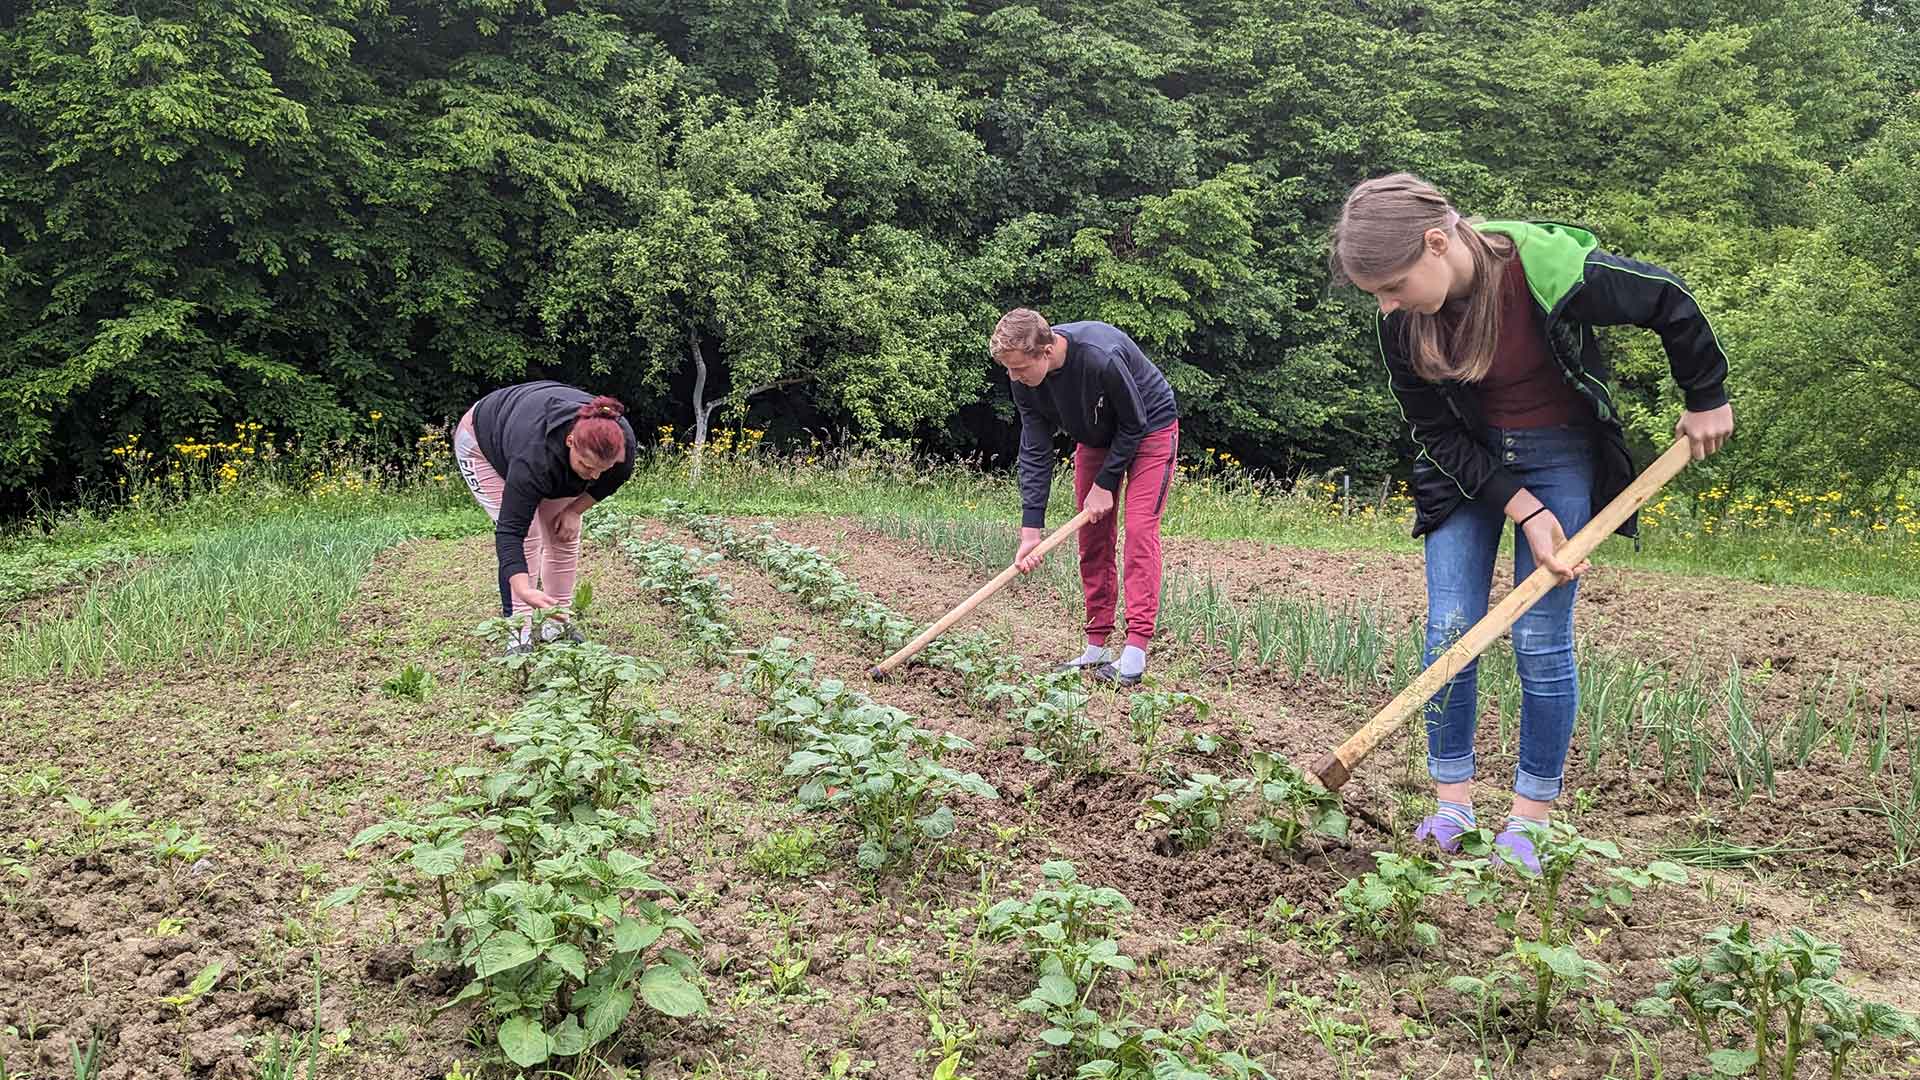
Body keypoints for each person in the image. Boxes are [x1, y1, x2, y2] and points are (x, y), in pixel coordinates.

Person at [1329, 173, 1733, 872]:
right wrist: (1524, 508)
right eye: (1377, 295)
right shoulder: (1399, 320)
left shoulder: (1546, 268)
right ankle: (1452, 804)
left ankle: (1530, 823)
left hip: (1560, 453)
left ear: (1437, 242)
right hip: (1467, 469)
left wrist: (1706, 396)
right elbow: (1434, 432)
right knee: (1450, 628)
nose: (1389, 304)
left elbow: (1668, 299)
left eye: (1394, 284)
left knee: (1541, 640)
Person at [991, 308, 1181, 686]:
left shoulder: (1100, 356)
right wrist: (1031, 530)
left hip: (1149, 430)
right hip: (1096, 438)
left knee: (1140, 531)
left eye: (1019, 369)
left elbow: (1134, 422)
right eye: (1008, 370)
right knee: (1092, 538)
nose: (1014, 378)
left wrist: (1106, 483)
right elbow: (1035, 447)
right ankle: (1096, 646)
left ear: (1045, 352)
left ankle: (1135, 651)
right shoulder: (1022, 380)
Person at [453, 380, 638, 652]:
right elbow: (510, 531)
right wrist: (524, 588)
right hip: (481, 442)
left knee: (563, 532)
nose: (594, 476)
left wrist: (574, 510)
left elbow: (609, 482)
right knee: (529, 535)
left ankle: (557, 624)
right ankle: (518, 635)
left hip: (534, 439)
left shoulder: (620, 447)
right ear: (570, 441)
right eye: (587, 466)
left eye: (602, 469)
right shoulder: (535, 458)